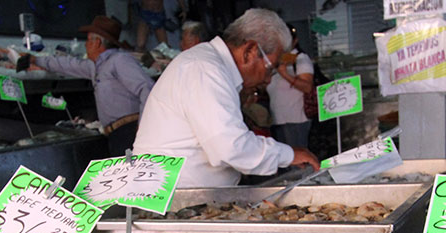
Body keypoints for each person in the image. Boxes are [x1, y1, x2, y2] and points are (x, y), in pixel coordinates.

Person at [133, 8, 319, 187]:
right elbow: (231, 147)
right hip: (179, 199)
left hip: (191, 196)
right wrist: (288, 155)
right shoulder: (205, 68)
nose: (268, 79)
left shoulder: (209, 63)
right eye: (270, 69)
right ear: (250, 51)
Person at [13, 16, 154, 157]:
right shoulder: (95, 66)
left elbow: (146, 87)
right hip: (115, 134)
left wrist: (144, 126)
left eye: (88, 40)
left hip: (130, 130)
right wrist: (34, 59)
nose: (86, 45)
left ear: (97, 42)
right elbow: (67, 64)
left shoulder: (119, 60)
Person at [265, 24, 314, 149]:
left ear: (295, 40)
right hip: (277, 118)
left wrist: (284, 74)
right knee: (284, 161)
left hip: (296, 119)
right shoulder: (273, 59)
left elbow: (307, 87)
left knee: (296, 160)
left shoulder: (300, 58)